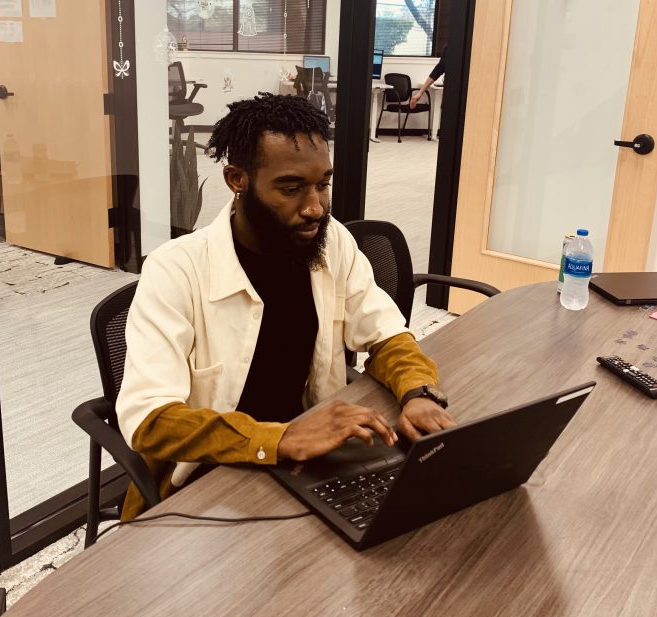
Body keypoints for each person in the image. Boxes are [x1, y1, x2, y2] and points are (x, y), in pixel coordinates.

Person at [116, 93, 456, 519]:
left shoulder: (332, 243)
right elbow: (150, 420)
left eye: (323, 185)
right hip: (208, 482)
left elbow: (386, 333)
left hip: (308, 461)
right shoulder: (176, 269)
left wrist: (418, 392)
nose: (315, 207)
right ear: (237, 179)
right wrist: (277, 439)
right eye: (291, 189)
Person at [410, 45, 446, 111]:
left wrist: (420, 93)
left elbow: (437, 71)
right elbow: (438, 70)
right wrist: (420, 93)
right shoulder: (450, 48)